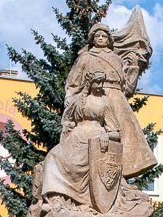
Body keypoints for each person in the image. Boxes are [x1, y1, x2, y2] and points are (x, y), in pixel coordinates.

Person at [63, 23, 157, 178]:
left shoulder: (116, 59)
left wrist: (134, 67)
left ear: (109, 39)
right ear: (93, 39)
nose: (101, 38)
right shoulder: (85, 57)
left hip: (117, 98)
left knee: (125, 137)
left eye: (104, 36)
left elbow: (127, 88)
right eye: (98, 36)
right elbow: (74, 80)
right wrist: (70, 96)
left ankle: (121, 175)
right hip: (96, 97)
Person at [41, 72, 120, 207]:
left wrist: (106, 135)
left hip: (94, 140)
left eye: (102, 82)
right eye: (97, 82)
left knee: (79, 163)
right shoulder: (78, 100)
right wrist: (67, 127)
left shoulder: (105, 102)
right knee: (52, 156)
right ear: (89, 83)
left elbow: (116, 133)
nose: (100, 86)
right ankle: (56, 198)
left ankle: (82, 201)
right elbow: (67, 120)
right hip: (75, 138)